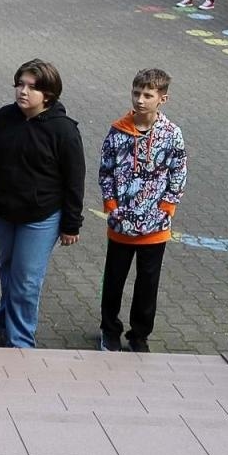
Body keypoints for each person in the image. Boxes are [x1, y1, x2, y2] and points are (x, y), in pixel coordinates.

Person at [0, 59, 84, 348]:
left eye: (32, 87)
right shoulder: (3, 118)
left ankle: (20, 342)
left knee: (26, 280)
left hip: (41, 217)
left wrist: (72, 224)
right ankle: (1, 321)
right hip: (4, 212)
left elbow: (74, 181)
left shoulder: (64, 131)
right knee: (8, 268)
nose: (23, 91)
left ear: (48, 94)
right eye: (20, 84)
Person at [97, 68, 187, 354]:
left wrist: (167, 207)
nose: (140, 100)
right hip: (121, 224)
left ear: (163, 98)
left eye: (148, 95)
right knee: (114, 281)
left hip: (155, 227)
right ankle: (109, 330)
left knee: (147, 285)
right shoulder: (118, 131)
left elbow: (178, 172)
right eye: (137, 93)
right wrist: (111, 205)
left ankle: (139, 335)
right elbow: (106, 171)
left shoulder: (172, 134)